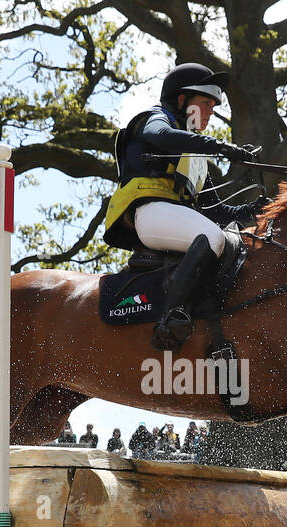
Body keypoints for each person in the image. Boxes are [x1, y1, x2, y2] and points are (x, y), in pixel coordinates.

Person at [103, 63, 265, 350]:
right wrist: (221, 147)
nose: (211, 112)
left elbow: (216, 212)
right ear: (182, 100)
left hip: (172, 217)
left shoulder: (196, 159)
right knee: (213, 238)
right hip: (149, 212)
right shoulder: (156, 117)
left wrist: (255, 210)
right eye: (206, 103)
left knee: (224, 236)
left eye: (213, 105)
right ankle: (170, 320)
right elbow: (161, 136)